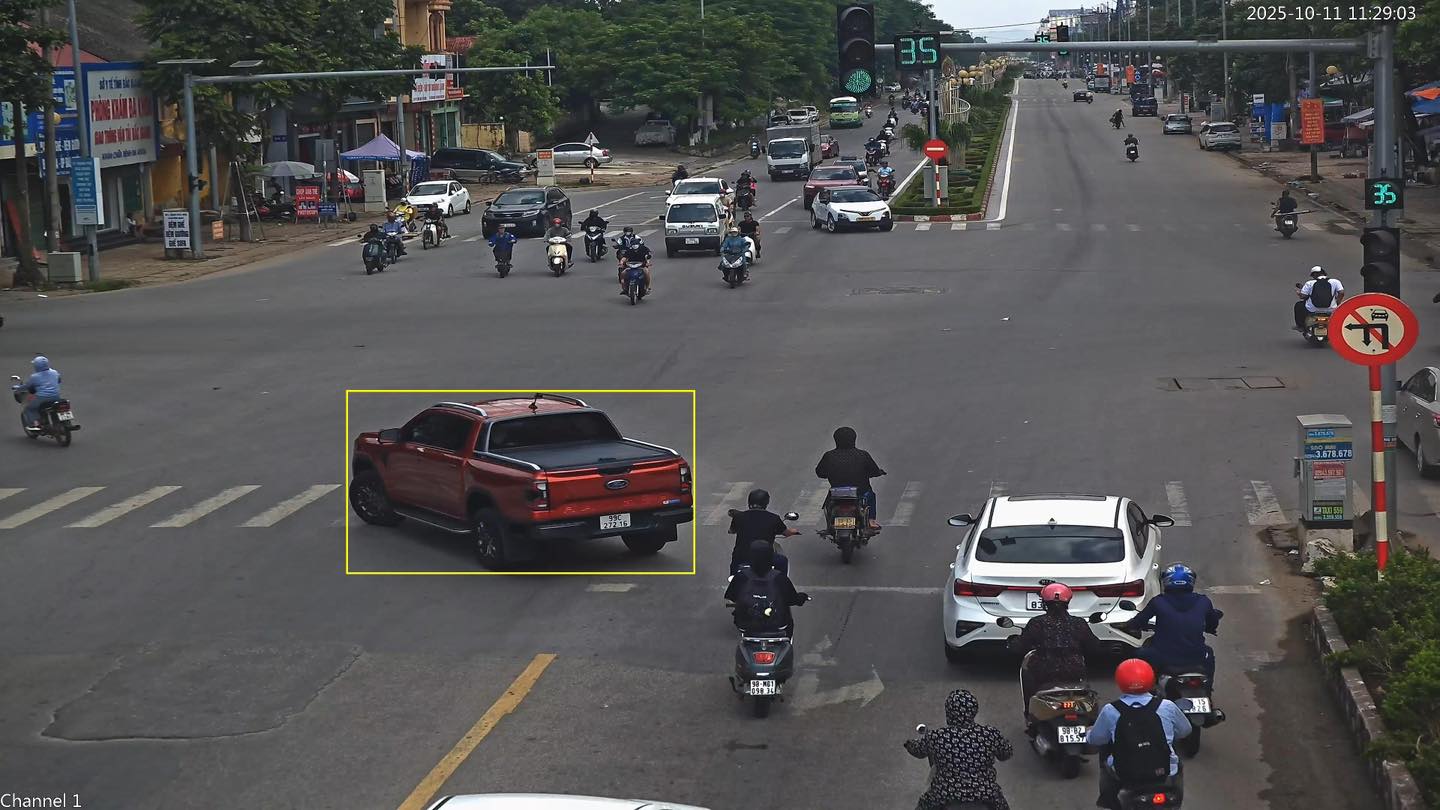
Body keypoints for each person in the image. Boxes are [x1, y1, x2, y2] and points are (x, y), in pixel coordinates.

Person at [1086, 659, 1192, 810]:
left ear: (1120, 681)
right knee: (1176, 764)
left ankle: (1109, 801)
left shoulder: (1111, 710)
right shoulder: (1167, 706)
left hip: (1127, 775)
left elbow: (1097, 739)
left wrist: (1088, 735)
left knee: (1106, 760)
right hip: (1165, 772)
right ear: (1150, 679)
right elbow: (1185, 730)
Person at [904, 689, 1013, 810]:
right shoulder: (989, 734)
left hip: (944, 794)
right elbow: (1006, 753)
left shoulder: (937, 736)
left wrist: (908, 743)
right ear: (973, 711)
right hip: (985, 793)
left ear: (948, 711)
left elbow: (918, 751)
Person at [1010, 583, 1106, 714]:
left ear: (1044, 602)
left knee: (1029, 679)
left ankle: (1030, 712)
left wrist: (1013, 642)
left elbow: (1021, 647)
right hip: (1075, 672)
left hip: (1043, 672)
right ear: (1068, 602)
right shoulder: (1079, 623)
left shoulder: (1037, 623)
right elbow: (1094, 647)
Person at [1123, 564, 1222, 683]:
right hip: (1196, 655)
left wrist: (1130, 626)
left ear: (1167, 581)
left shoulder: (1158, 601)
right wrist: (1210, 628)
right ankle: (1208, 687)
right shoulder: (1203, 601)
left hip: (1162, 656)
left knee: (1138, 654)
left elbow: (1138, 621)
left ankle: (1147, 690)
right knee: (1209, 653)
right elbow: (1213, 622)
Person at [723, 540, 809, 634]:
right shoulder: (779, 578)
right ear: (771, 557)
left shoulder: (742, 576)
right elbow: (792, 599)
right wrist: (802, 597)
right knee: (789, 622)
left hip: (745, 625)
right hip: (778, 625)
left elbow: (731, 596)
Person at [815, 426, 886, 531]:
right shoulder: (863, 455)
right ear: (854, 439)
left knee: (828, 504)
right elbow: (874, 471)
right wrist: (878, 472)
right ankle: (871, 521)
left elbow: (820, 472)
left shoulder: (829, 456)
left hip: (836, 493)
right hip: (860, 492)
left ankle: (830, 524)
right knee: (870, 495)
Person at [726, 488, 800, 576]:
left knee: (734, 567)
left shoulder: (739, 517)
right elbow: (785, 533)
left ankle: (732, 584)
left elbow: (731, 530)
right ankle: (782, 583)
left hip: (742, 557)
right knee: (782, 561)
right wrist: (793, 531)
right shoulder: (773, 518)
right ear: (766, 503)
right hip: (765, 557)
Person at [17, 355, 61, 431]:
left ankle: (36, 425)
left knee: (28, 408)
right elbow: (59, 380)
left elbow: (27, 386)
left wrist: (18, 388)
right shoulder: (54, 372)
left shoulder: (35, 376)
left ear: (36, 366)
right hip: (56, 396)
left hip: (42, 398)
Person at [1294, 266, 1344, 330]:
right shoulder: (1335, 281)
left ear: (1314, 275)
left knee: (1298, 305)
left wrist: (1299, 293)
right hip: (1331, 309)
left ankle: (1300, 326)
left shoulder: (1309, 283)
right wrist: (1338, 303)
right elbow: (1341, 293)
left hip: (1313, 309)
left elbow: (1303, 296)